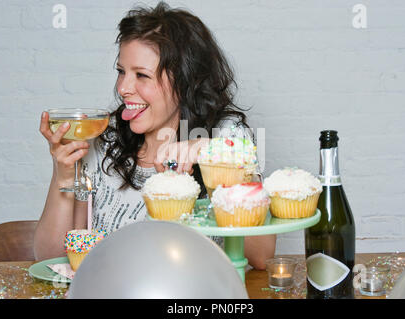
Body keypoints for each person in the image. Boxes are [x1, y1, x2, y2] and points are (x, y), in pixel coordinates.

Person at [35, 2, 275, 270]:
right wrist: (63, 175)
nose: (124, 88)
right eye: (121, 72)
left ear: (185, 82)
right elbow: (50, 260)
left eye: (142, 75)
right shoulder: (105, 140)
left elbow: (262, 255)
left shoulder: (226, 136)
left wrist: (213, 157)